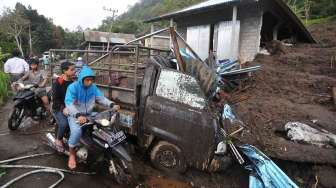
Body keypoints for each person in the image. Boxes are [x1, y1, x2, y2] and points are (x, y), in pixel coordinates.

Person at [65, 65, 120, 169]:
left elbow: (101, 98)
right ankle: (71, 154)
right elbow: (69, 103)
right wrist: (77, 115)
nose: (89, 82)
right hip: (75, 115)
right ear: (81, 79)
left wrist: (112, 104)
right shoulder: (73, 87)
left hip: (90, 114)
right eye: (87, 80)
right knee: (76, 131)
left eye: (91, 80)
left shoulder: (93, 87)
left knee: (106, 123)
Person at [52, 61, 76, 152]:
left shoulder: (73, 83)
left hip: (70, 107)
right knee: (64, 123)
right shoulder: (58, 83)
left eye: (74, 69)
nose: (74, 71)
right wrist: (63, 108)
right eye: (72, 70)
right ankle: (58, 139)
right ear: (65, 71)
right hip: (58, 108)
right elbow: (55, 99)